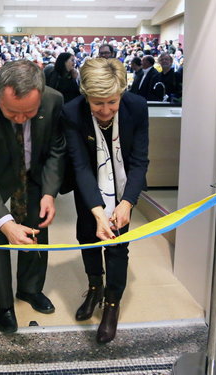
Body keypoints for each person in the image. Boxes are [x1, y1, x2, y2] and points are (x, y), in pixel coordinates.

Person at [0, 60, 65, 334]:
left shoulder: (54, 101)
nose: (20, 119)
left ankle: (30, 289)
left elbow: (56, 149)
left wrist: (50, 193)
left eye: (28, 112)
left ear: (40, 96)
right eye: (11, 112)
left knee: (36, 229)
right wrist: (5, 222)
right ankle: (4, 305)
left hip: (33, 176)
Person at [61, 58, 148, 344]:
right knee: (87, 235)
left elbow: (138, 161)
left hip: (123, 187)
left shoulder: (136, 107)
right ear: (85, 95)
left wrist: (127, 203)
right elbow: (80, 166)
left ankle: (111, 304)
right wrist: (98, 212)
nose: (106, 110)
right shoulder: (72, 112)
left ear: (122, 93)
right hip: (89, 186)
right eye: (97, 103)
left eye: (112, 102)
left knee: (117, 243)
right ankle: (94, 287)